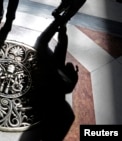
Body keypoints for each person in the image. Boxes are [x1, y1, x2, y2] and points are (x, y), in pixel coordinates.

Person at [27, 0, 86, 140]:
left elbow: (56, 42)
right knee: (42, 43)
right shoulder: (63, 76)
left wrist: (60, 25)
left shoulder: (59, 67)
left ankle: (62, 17)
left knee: (40, 42)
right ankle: (63, 17)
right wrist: (62, 27)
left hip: (43, 79)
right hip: (46, 86)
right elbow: (62, 44)